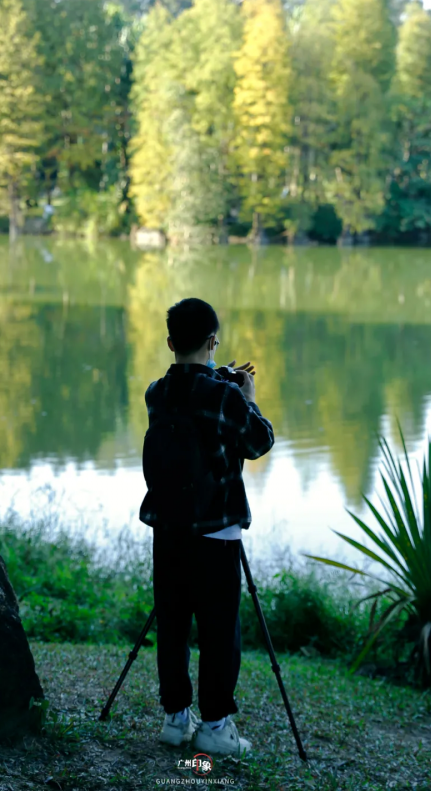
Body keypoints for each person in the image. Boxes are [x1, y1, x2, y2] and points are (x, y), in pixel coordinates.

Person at [139, 298, 274, 758]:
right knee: (219, 631)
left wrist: (216, 376)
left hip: (168, 528)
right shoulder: (227, 397)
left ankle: (176, 719)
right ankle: (215, 726)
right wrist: (247, 395)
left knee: (173, 623)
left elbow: (189, 391)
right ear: (213, 341)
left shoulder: (157, 393)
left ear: (171, 341)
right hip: (216, 531)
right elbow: (258, 441)